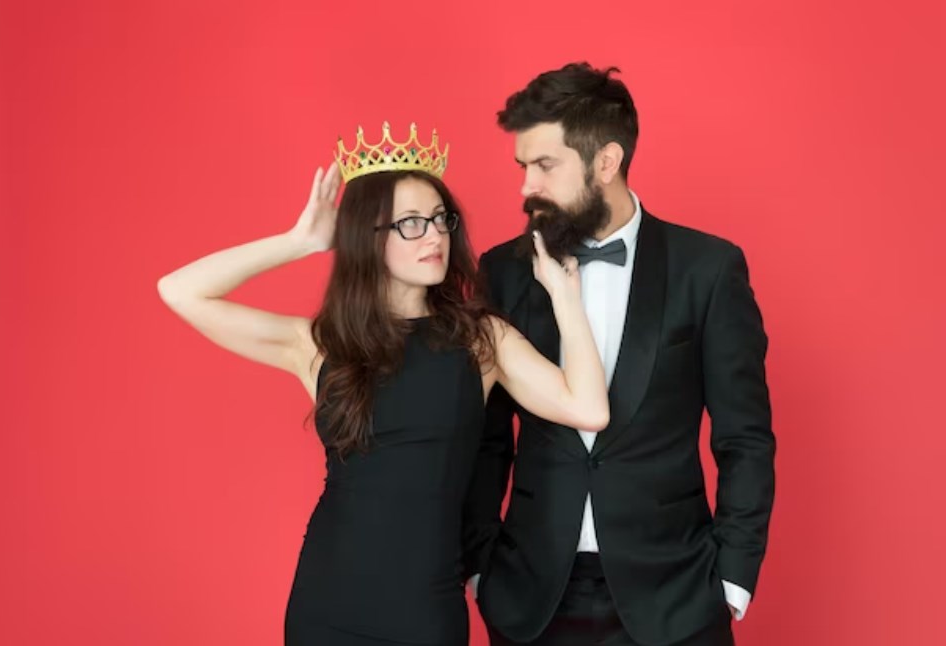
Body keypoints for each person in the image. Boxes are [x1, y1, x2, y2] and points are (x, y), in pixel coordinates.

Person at [156, 122, 610, 646]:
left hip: (426, 608)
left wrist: (566, 301)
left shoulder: (481, 339)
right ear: (366, 238)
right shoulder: (321, 344)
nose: (435, 235)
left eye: (441, 219)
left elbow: (589, 408)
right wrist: (299, 241)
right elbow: (180, 291)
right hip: (329, 601)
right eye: (411, 224)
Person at [463, 64, 776, 646]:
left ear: (605, 163)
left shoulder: (707, 270)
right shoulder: (502, 271)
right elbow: (485, 437)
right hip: (529, 596)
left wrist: (732, 577)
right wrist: (481, 563)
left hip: (676, 594)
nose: (525, 185)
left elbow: (745, 438)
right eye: (523, 166)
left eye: (544, 165)